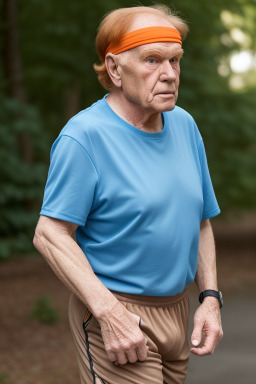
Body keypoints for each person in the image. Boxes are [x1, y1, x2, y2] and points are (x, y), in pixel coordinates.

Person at [33, 4, 223, 384]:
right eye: (152, 60)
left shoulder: (184, 125)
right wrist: (109, 312)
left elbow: (199, 222)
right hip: (118, 312)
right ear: (115, 69)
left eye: (175, 60)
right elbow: (50, 234)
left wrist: (211, 299)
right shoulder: (84, 136)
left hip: (177, 310)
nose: (169, 74)